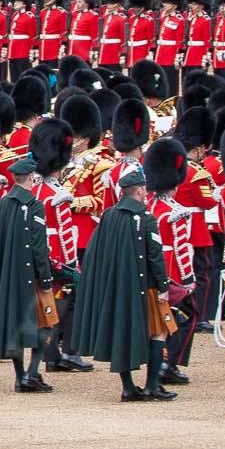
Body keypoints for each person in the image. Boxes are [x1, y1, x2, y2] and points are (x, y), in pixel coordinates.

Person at [72, 168, 174, 403]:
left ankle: (128, 387)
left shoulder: (108, 215)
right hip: (145, 286)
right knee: (158, 332)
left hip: (116, 286)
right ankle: (152, 386)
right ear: (139, 191)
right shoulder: (146, 218)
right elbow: (155, 255)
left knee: (121, 333)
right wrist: (163, 286)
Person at [0, 155, 56, 392]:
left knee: (16, 325)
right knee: (47, 322)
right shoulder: (33, 204)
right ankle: (31, 372)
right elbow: (38, 245)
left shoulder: (4, 203)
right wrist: (46, 277)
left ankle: (21, 377)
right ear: (30, 178)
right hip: (31, 276)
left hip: (9, 275)